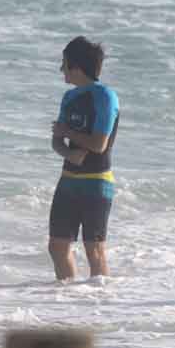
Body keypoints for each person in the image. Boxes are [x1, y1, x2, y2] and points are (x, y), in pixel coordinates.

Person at [49, 36, 120, 281]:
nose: (61, 69)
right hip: (68, 180)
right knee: (57, 247)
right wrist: (69, 153)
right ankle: (70, 305)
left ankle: (100, 309)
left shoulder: (105, 96)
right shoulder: (69, 98)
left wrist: (67, 133)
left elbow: (99, 144)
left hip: (97, 182)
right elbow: (56, 141)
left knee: (95, 251)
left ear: (76, 67)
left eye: (64, 63)